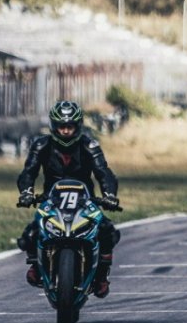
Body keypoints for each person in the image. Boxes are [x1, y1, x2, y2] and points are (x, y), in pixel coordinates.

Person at [16, 101, 121, 298]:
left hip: (86, 201)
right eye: (61, 127)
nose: (65, 131)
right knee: (29, 235)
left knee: (107, 232)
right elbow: (28, 172)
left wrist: (109, 195)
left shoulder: (90, 145)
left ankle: (101, 277)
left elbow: (103, 172)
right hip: (51, 200)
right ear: (54, 126)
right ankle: (36, 267)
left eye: (69, 127)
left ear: (78, 126)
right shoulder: (41, 145)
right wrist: (26, 192)